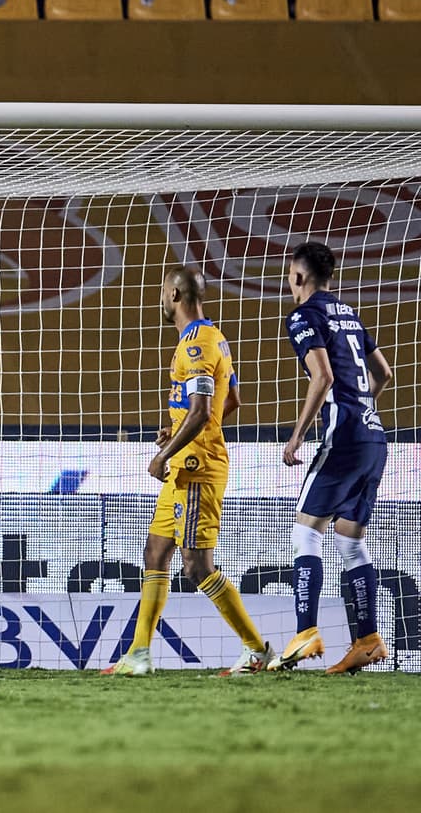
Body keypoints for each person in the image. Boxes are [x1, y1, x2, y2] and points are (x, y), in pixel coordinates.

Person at [103, 265, 273, 676]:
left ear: (175, 296)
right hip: (185, 462)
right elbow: (230, 401)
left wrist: (165, 453)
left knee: (196, 565)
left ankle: (256, 649)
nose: (161, 301)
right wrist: (177, 430)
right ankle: (140, 655)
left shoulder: (195, 346)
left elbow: (201, 411)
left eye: (163, 293)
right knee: (155, 551)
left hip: (196, 468)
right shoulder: (213, 337)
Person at [269, 241, 392, 674]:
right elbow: (385, 373)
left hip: (345, 439)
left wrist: (297, 437)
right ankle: (368, 641)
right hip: (375, 439)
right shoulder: (349, 313)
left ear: (298, 277)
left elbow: (322, 376)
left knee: (306, 531)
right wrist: (362, 413)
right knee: (350, 542)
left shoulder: (305, 315)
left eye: (288, 274)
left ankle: (306, 634)